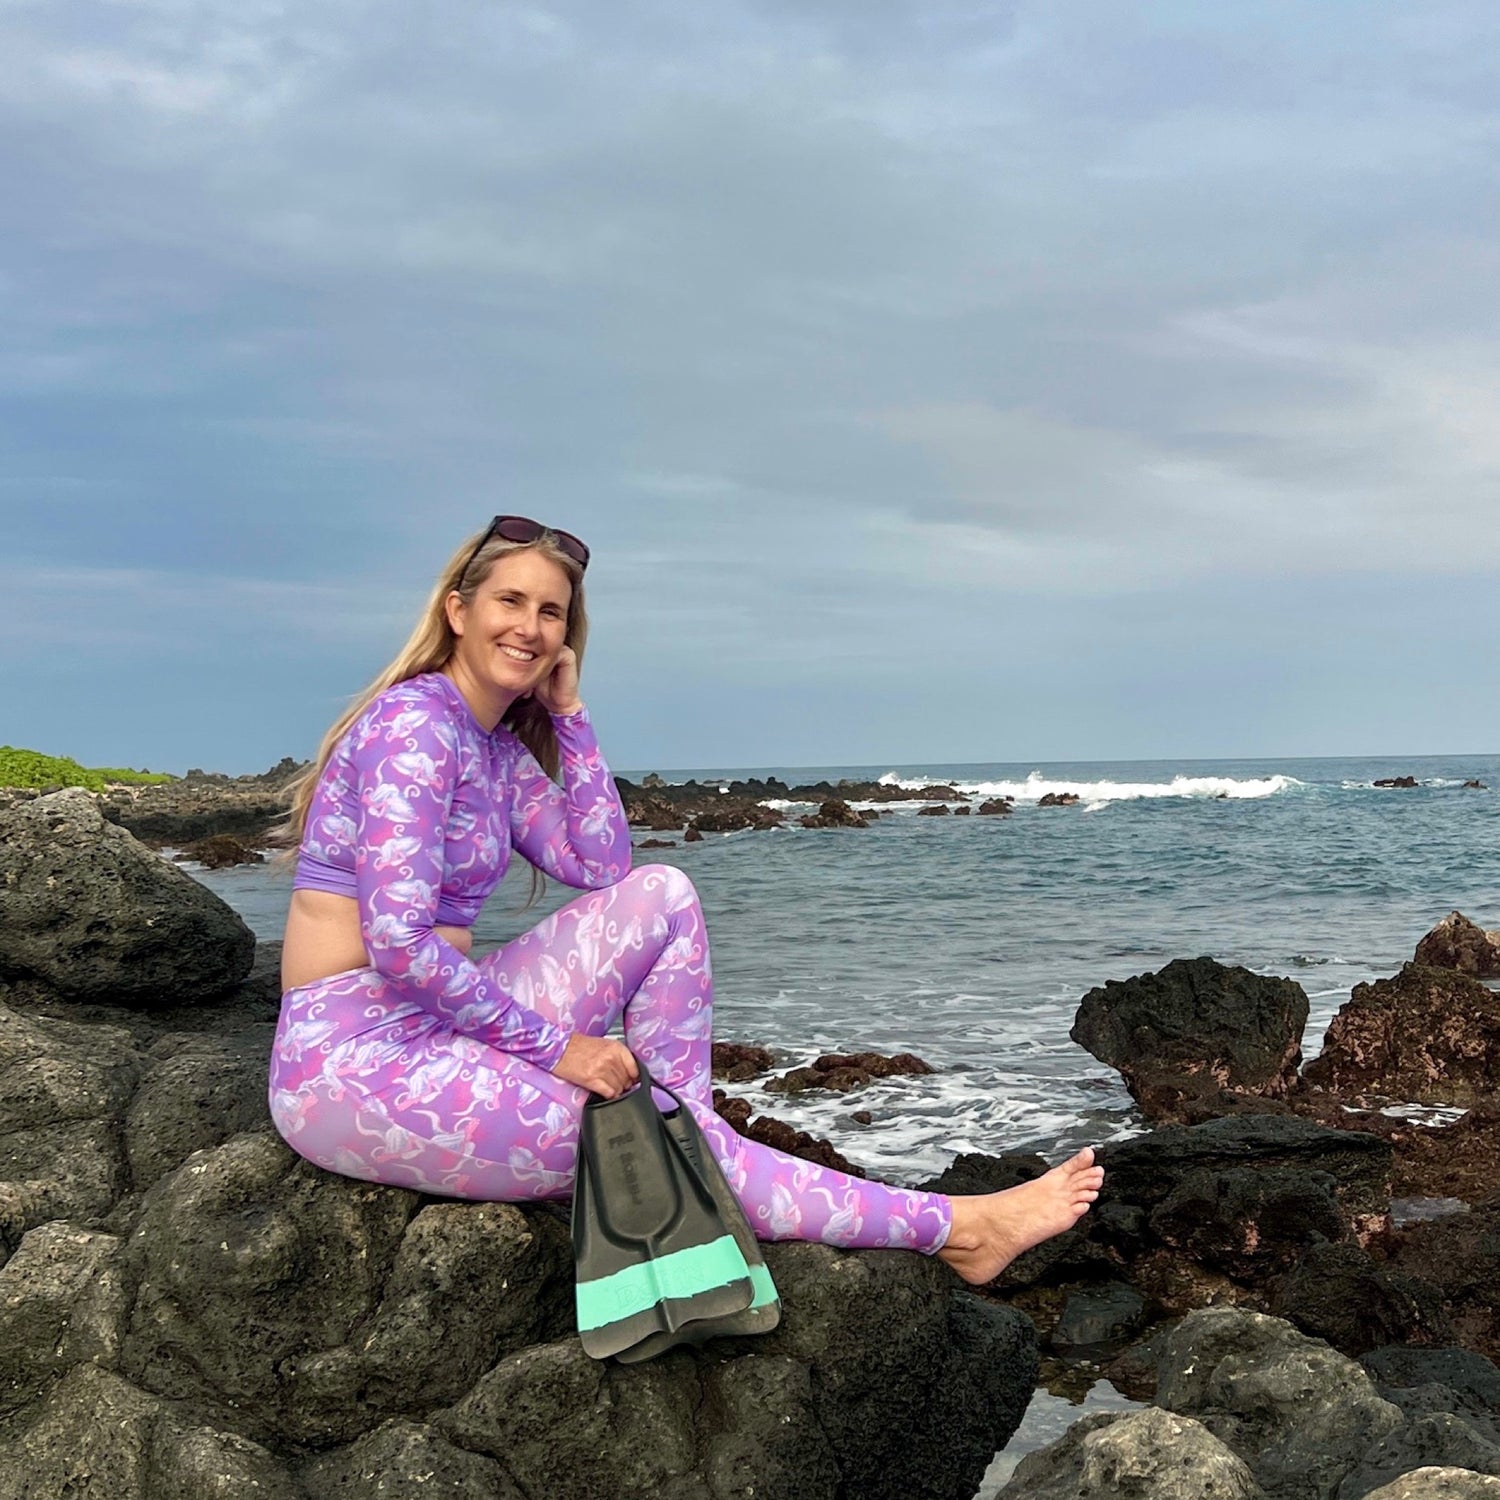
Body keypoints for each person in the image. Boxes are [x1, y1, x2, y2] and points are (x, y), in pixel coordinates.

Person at [269, 515, 1103, 1286]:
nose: (529, 626)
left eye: (551, 612)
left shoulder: (489, 749)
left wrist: (569, 715)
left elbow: (601, 865)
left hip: (435, 1025)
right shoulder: (414, 726)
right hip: (349, 1061)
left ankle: (697, 1146)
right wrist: (563, 1052)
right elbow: (401, 946)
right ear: (458, 609)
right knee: (647, 1141)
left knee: (663, 895)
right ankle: (958, 1231)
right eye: (510, 601)